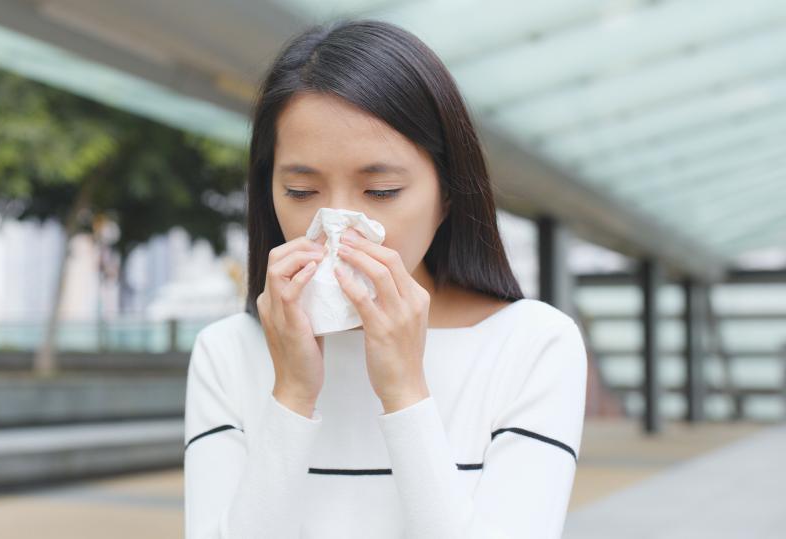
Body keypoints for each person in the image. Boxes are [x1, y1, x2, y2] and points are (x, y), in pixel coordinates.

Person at [183, 18, 588, 539]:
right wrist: (293, 395)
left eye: (382, 191)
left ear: (447, 194)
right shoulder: (228, 354)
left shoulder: (531, 345)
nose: (338, 225)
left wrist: (404, 391)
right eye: (302, 192)